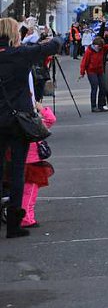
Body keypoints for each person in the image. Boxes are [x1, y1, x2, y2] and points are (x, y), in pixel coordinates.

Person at [0, 18, 61, 238]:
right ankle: (15, 224)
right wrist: (49, 35)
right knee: (17, 170)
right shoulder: (21, 54)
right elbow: (55, 45)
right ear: (14, 34)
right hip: (18, 121)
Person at [19, 102, 56, 228]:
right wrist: (41, 108)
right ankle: (27, 218)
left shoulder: (16, 125)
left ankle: (25, 216)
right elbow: (51, 119)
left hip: (20, 161)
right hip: (33, 162)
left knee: (23, 192)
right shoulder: (33, 126)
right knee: (30, 193)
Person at [79, 36, 108, 113]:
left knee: (103, 87)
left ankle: (101, 105)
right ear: (94, 45)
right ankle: (94, 106)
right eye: (98, 46)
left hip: (100, 71)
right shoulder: (89, 51)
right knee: (94, 87)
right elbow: (84, 62)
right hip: (91, 71)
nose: (99, 48)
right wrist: (82, 72)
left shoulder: (102, 48)